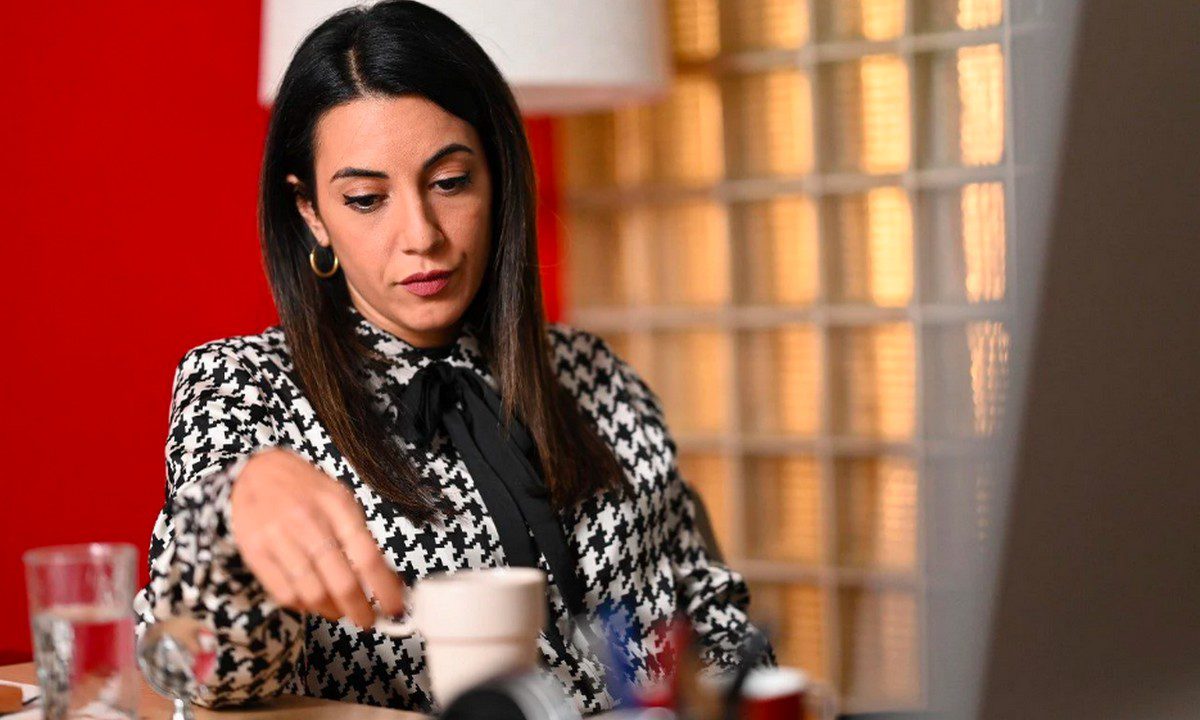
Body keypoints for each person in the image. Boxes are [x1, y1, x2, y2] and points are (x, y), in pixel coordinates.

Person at [132, 1, 770, 715]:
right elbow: (205, 675)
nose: (422, 235)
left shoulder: (595, 375)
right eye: (366, 198)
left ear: (496, 178)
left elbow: (716, 626)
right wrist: (225, 511)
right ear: (311, 212)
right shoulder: (245, 386)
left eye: (449, 183)